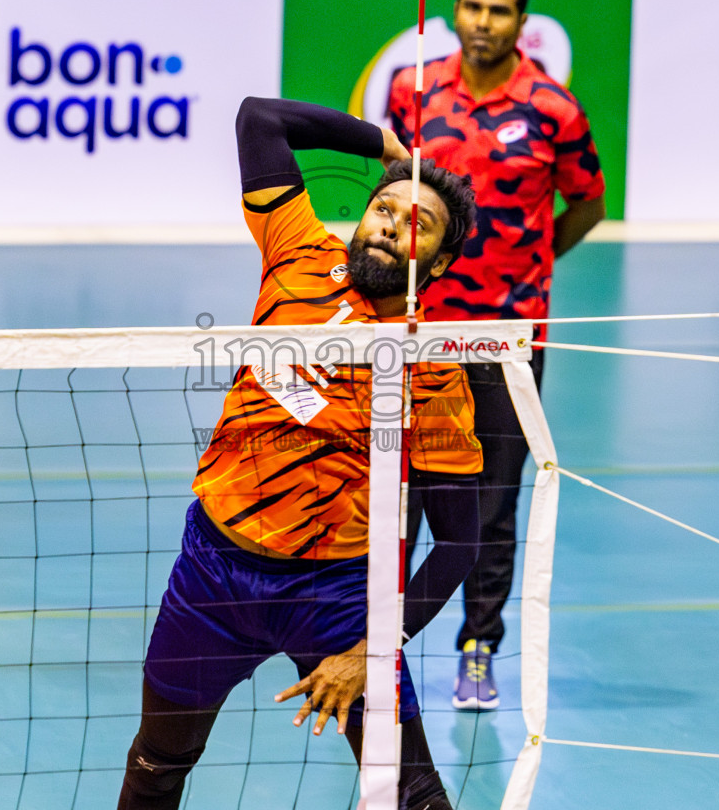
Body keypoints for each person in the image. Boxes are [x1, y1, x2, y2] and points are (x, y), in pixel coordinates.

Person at [118, 96, 482, 810]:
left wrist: (371, 650)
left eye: (421, 225)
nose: (393, 225)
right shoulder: (297, 251)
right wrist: (383, 143)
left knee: (414, 791)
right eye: (386, 209)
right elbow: (259, 119)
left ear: (437, 264)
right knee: (158, 765)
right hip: (214, 575)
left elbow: (461, 544)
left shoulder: (433, 368)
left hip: (340, 595)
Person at [387, 0, 604, 711]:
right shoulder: (412, 92)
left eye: (499, 10)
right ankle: (381, 644)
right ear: (454, 11)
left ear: (521, 22)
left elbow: (587, 203)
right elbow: (392, 191)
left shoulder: (554, 109)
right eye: (472, 7)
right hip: (416, 336)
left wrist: (530, 273)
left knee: (491, 500)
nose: (483, 21)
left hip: (507, 340)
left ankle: (478, 649)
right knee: (399, 493)